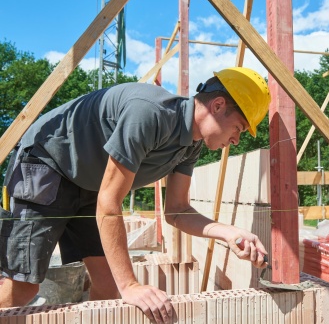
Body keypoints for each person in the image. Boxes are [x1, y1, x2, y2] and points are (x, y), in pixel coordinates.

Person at [0, 67, 271, 323]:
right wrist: (130, 285)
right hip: (47, 163)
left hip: (89, 184)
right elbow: (109, 203)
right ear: (218, 105)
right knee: (22, 288)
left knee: (106, 285)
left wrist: (229, 234)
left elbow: (177, 210)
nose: (236, 140)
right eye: (239, 128)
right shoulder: (150, 113)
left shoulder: (191, 147)